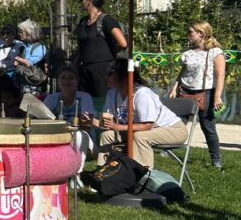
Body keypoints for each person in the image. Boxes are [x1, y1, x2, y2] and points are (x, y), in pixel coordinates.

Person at [87, 59, 187, 170]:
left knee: (140, 136)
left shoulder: (141, 94)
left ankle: (141, 174)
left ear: (124, 76)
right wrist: (92, 121)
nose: (106, 77)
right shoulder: (112, 93)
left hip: (172, 129)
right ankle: (104, 171)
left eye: (110, 74)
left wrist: (118, 127)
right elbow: (111, 123)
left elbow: (147, 125)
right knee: (107, 135)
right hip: (137, 130)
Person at [169, 20, 226, 170]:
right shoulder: (188, 53)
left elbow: (220, 76)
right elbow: (183, 72)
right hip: (185, 92)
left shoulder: (215, 52)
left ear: (201, 33)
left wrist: (217, 96)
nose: (188, 35)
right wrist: (175, 88)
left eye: (190, 32)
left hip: (205, 92)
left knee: (208, 127)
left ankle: (216, 160)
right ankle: (168, 148)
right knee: (176, 123)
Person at [73, 0, 127, 100]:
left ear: (90, 0)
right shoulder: (83, 22)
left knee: (102, 101)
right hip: (84, 70)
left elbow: (123, 43)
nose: (80, 3)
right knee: (84, 101)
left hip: (102, 70)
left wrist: (111, 51)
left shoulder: (106, 20)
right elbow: (81, 47)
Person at [43, 66, 96, 157]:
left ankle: (78, 164)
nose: (66, 81)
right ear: (58, 81)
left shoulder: (84, 97)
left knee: (78, 135)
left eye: (70, 78)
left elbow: (86, 124)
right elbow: (41, 117)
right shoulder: (52, 98)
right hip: (59, 135)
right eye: (63, 78)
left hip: (82, 136)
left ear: (77, 81)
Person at [13, 19, 48, 95]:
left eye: (21, 31)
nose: (19, 33)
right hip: (22, 84)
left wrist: (17, 59)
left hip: (35, 86)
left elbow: (29, 63)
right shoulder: (24, 46)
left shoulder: (40, 47)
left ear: (29, 32)